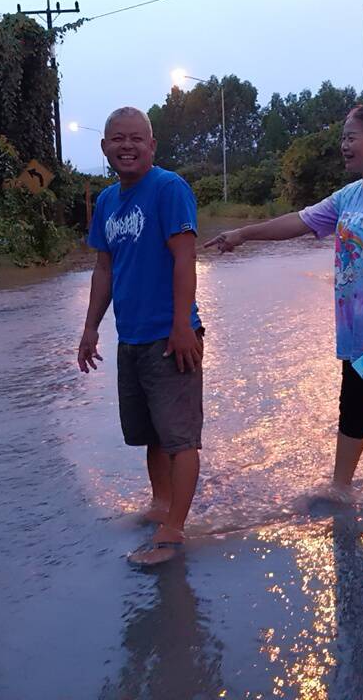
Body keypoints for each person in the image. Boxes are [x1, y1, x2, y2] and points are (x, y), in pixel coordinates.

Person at [205, 104, 363, 531]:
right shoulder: (354, 193)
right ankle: (340, 488)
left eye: (352, 137)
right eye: (342, 137)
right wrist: (243, 234)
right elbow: (301, 221)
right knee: (354, 406)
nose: (344, 145)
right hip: (360, 335)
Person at [78, 107, 205, 566]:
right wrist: (91, 328)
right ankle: (160, 504)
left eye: (136, 138)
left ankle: (173, 532)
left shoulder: (169, 189)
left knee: (181, 438)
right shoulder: (109, 201)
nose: (126, 146)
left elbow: (184, 258)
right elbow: (104, 268)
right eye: (117, 138)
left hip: (170, 337)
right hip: (129, 339)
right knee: (150, 434)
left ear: (152, 146)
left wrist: (182, 324)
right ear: (105, 147)